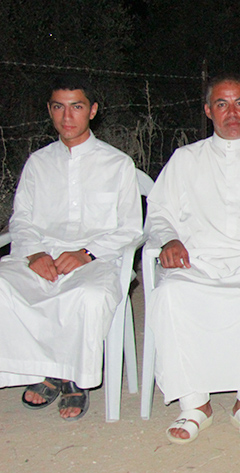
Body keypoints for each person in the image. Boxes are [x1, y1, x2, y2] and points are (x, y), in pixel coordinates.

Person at [145, 74, 240, 444]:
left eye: (239, 103)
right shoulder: (185, 160)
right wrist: (169, 239)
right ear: (208, 111)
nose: (232, 112)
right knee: (170, 295)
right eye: (222, 104)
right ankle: (194, 404)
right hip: (196, 263)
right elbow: (159, 212)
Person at [0, 76, 142, 420]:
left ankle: (73, 377)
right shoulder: (38, 163)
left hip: (96, 259)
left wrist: (85, 253)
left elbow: (130, 229)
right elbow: (21, 220)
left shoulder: (117, 164)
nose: (67, 117)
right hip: (40, 255)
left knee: (87, 296)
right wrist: (35, 254)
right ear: (50, 110)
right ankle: (41, 369)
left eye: (76, 107)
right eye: (58, 107)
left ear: (92, 111)